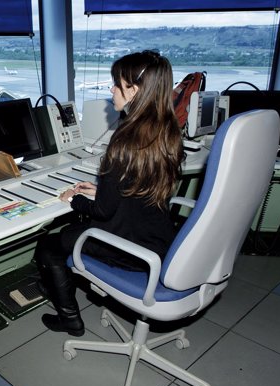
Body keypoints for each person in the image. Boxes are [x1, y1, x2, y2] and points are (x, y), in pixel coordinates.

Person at [35, 50, 184, 336]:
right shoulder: (167, 131)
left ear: (134, 90)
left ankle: (70, 319)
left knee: (49, 246)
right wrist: (103, 188)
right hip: (158, 240)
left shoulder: (125, 140)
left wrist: (74, 198)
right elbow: (138, 187)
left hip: (129, 247)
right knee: (72, 232)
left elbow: (102, 211)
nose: (111, 89)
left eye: (117, 83)